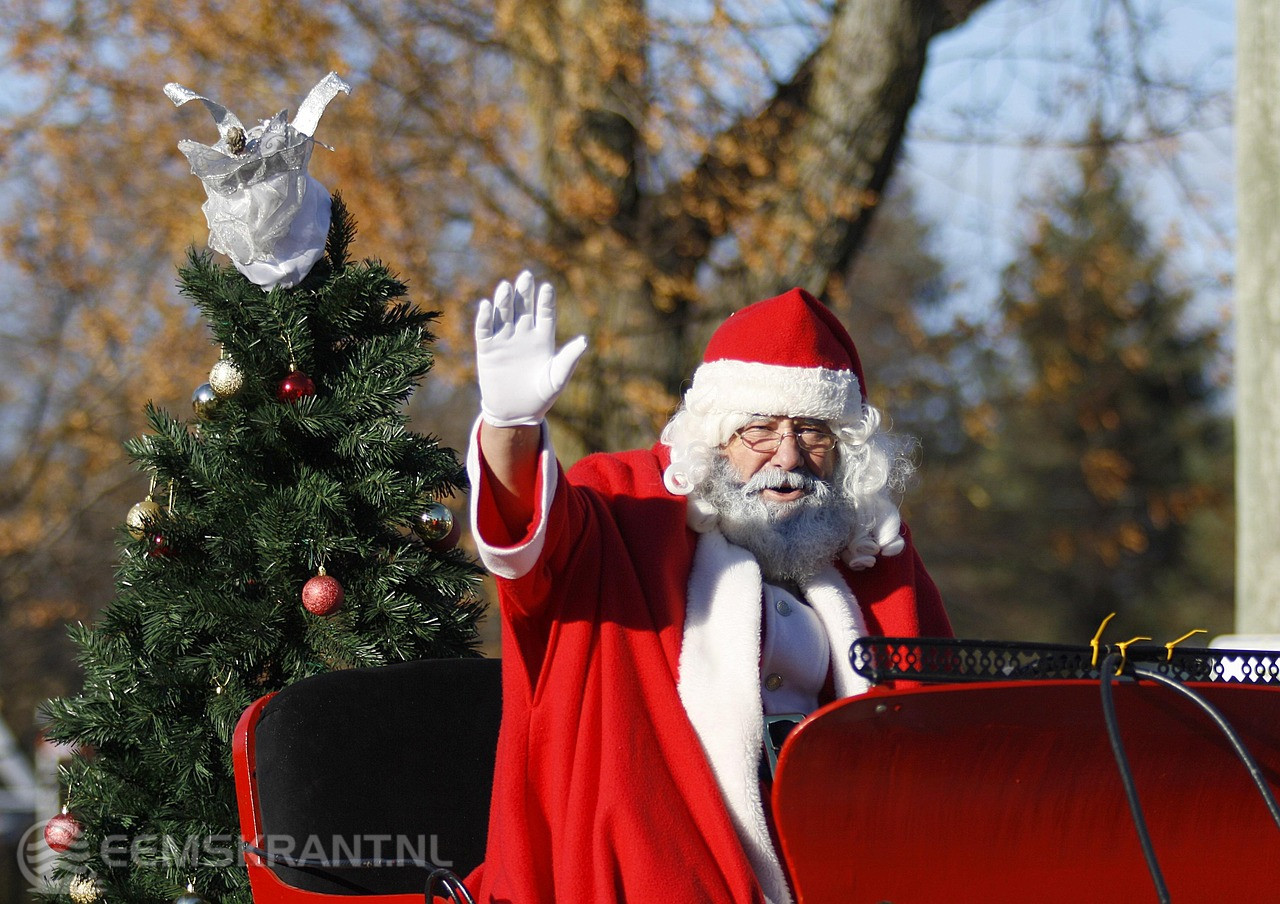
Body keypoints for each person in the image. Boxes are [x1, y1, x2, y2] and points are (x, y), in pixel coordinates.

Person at [464, 271, 953, 904]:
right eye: (760, 430)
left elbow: (950, 732)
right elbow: (529, 544)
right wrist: (510, 426)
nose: (788, 457)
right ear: (715, 439)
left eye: (812, 432)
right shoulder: (628, 512)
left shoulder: (878, 560)